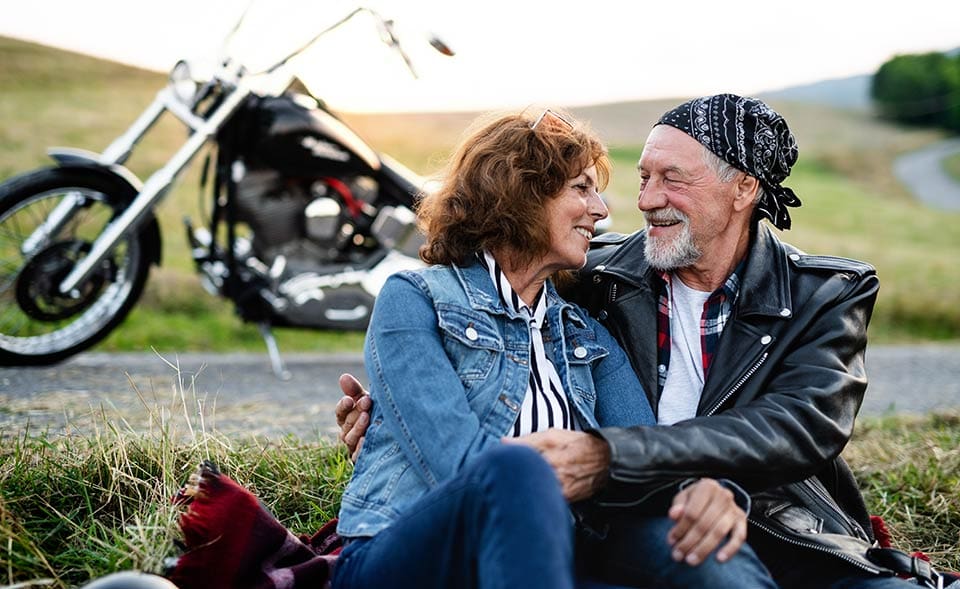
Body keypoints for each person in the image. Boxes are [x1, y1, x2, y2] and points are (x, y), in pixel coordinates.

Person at [337, 95, 953, 589]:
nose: (622, 206)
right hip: (457, 538)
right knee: (515, 470)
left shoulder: (585, 325)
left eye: (671, 179)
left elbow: (785, 426)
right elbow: (462, 453)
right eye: (593, 187)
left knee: (714, 556)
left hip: (737, 524)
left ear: (742, 190)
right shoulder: (566, 283)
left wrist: (705, 484)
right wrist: (386, 410)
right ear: (521, 196)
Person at [331, 109, 763, 589]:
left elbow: (640, 455)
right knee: (515, 469)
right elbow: (462, 471)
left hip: (550, 558)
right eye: (581, 188)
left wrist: (714, 492)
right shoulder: (416, 300)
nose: (601, 210)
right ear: (518, 193)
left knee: (703, 551)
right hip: (416, 556)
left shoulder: (585, 336)